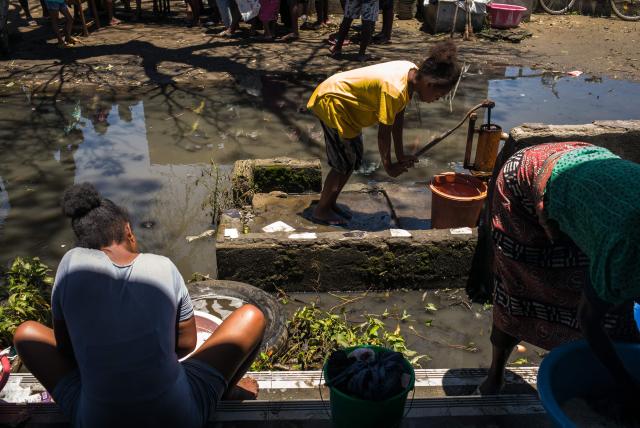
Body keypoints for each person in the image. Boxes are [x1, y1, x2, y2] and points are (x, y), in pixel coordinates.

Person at [13, 183, 266, 428]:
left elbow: (67, 349)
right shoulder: (163, 266)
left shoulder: (69, 266)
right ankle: (226, 391)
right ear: (129, 231)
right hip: (179, 416)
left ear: (82, 242)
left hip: (96, 420)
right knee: (252, 316)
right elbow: (187, 344)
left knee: (26, 334)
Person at [477, 142, 640, 398]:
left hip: (584, 186)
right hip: (523, 188)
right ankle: (495, 375)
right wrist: (627, 386)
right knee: (517, 296)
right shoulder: (626, 249)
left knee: (617, 316)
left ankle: (598, 380)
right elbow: (589, 320)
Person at [307, 41, 460, 226]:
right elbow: (383, 134)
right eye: (438, 96)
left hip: (347, 108)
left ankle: (330, 203)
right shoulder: (394, 90)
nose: (436, 100)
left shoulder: (411, 70)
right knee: (343, 163)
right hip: (333, 102)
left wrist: (400, 155)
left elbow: (397, 116)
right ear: (429, 84)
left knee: (352, 159)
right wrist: (389, 167)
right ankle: (321, 210)